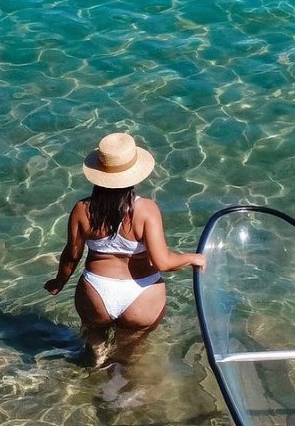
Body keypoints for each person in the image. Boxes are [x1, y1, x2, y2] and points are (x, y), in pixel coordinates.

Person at [44, 132, 205, 347]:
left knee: (94, 349)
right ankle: (122, 373)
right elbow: (163, 262)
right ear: (134, 174)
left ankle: (96, 365)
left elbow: (72, 256)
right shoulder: (146, 210)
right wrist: (192, 258)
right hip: (142, 295)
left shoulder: (82, 209)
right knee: (130, 358)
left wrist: (59, 283)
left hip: (95, 292)